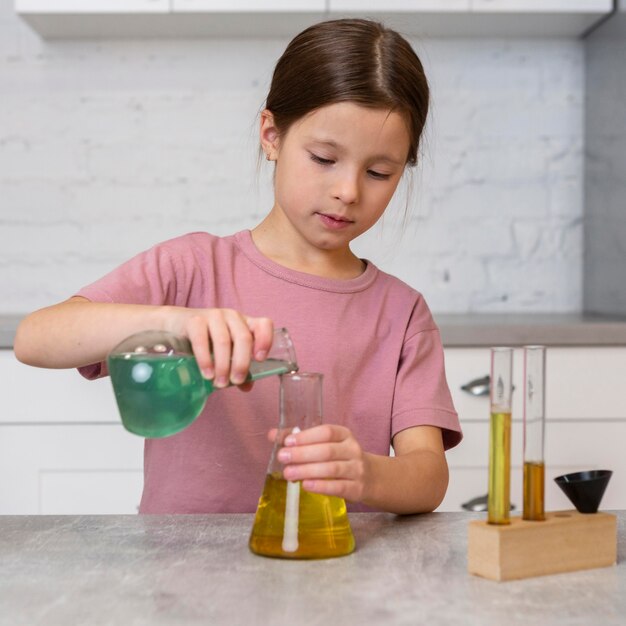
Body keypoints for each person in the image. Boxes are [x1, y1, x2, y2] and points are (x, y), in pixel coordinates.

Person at [14, 18, 462, 515]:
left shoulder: (401, 313)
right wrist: (172, 321)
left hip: (338, 577)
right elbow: (36, 337)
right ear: (271, 135)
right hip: (184, 579)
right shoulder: (191, 269)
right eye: (323, 158)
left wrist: (368, 472)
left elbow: (428, 477)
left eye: (379, 171)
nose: (349, 190)